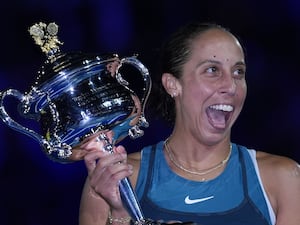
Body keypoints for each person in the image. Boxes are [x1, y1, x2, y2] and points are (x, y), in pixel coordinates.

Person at [77, 22, 300, 225]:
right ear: (173, 85)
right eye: (212, 70)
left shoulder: (284, 179)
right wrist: (121, 215)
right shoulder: (116, 182)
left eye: (238, 72)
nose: (231, 86)